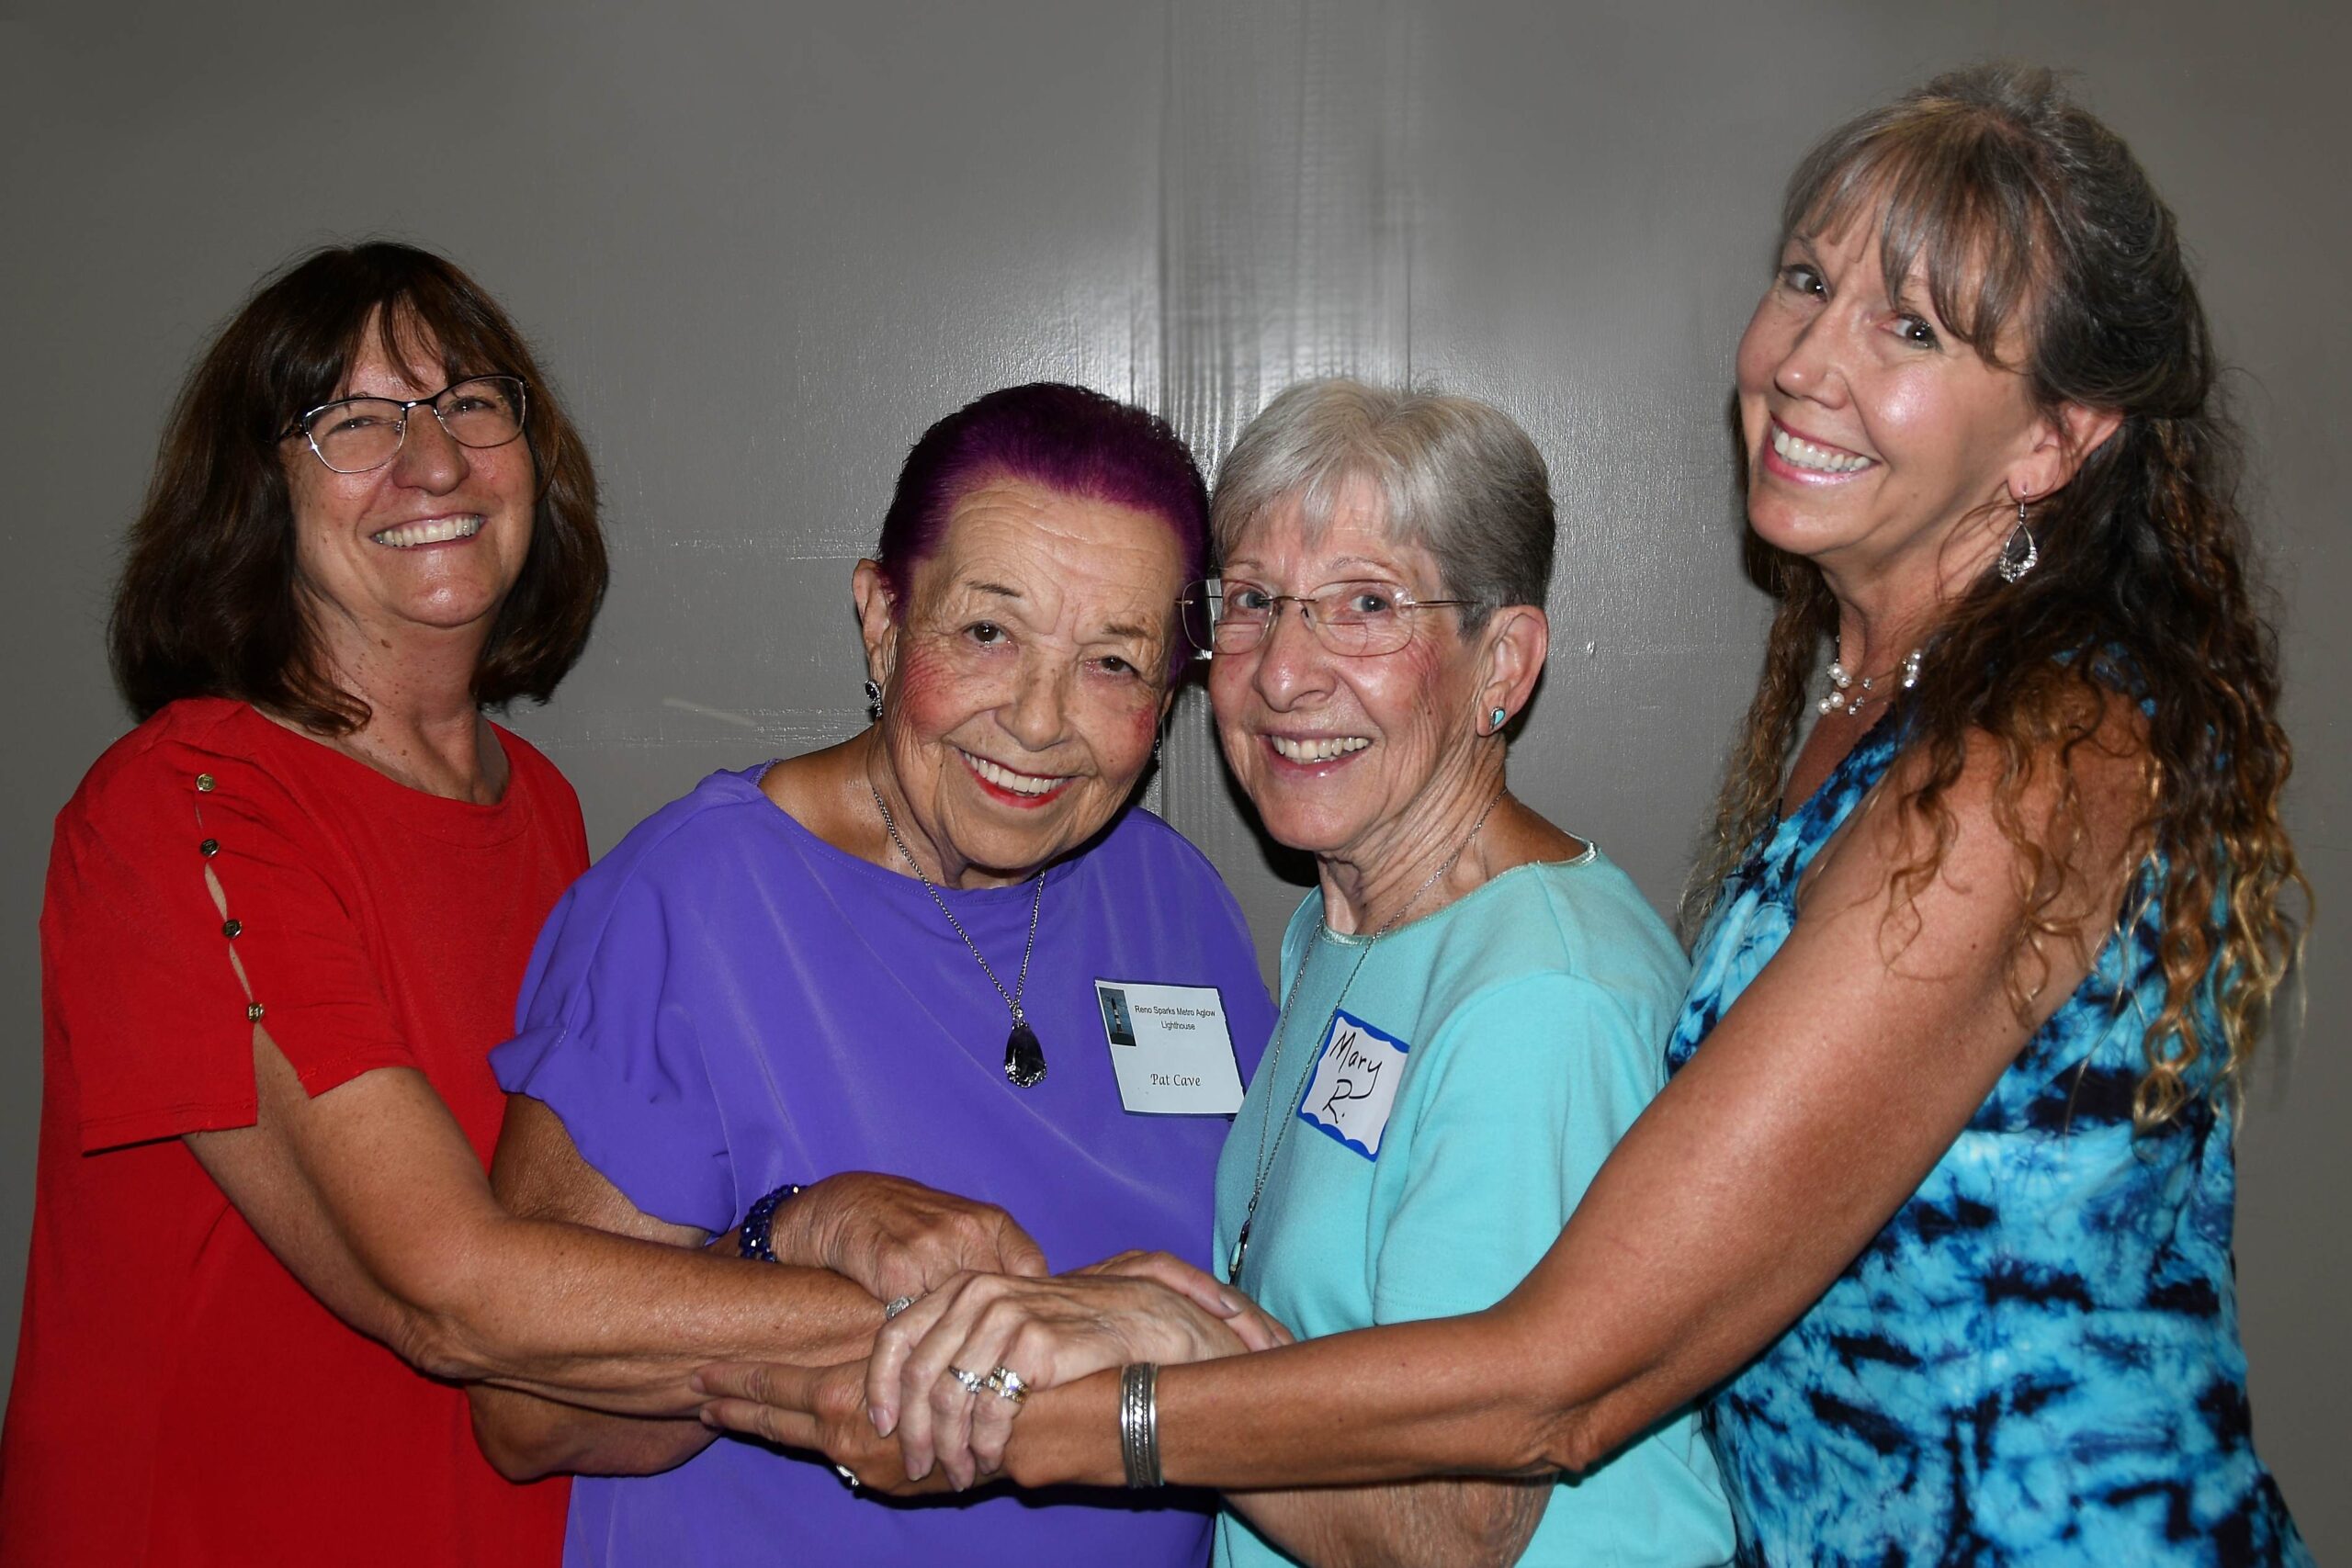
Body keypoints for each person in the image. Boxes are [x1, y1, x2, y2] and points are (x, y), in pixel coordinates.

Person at [699, 65, 2312, 1565]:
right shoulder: (1866, 707)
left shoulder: (2037, 755)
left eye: (1914, 330)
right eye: (1810, 283)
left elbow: (1560, 1384)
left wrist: (1070, 1412)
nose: (1809, 361)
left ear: (2055, 436)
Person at [0, 243, 1049, 1568]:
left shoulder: (541, 809)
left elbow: (598, 1245)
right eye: (355, 422)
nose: (430, 464)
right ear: (253, 494)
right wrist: (962, 1319)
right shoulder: (183, 806)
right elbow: (445, 1289)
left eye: (469, 407)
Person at [733, 379, 1736, 1565]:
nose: (1285, 672)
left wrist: (1139, 1373)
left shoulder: (1539, 996)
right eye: (1256, 601)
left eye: (1366, 604)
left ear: (1503, 664)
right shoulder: (1346, 933)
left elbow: (1459, 1527)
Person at [471, 382, 1280, 1567]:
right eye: (988, 633)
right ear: (884, 620)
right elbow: (530, 1410)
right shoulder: (695, 901)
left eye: (1112, 662)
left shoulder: (1178, 906)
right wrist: (785, 1236)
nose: (1040, 721)